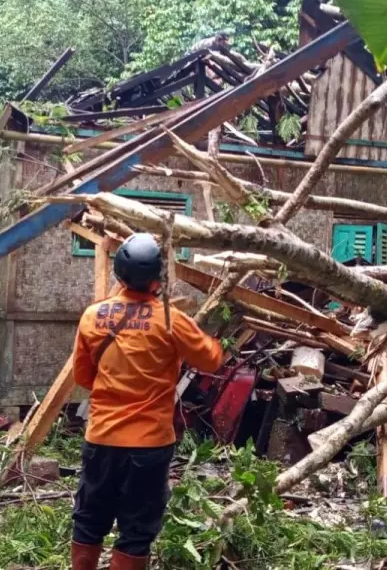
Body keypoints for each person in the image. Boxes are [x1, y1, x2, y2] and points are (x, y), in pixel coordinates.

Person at [70, 233, 223, 570]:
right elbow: (212, 360)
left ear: (119, 274)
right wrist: (210, 339)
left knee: (89, 518)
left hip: (102, 439)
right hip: (148, 444)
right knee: (137, 530)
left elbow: (83, 378)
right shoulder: (171, 319)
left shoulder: (93, 316)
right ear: (158, 277)